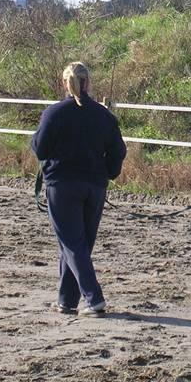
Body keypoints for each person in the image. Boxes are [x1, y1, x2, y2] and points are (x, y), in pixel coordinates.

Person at [31, 62, 126, 316]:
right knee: (79, 244)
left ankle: (94, 298)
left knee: (72, 243)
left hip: (62, 185)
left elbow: (40, 148)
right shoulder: (104, 115)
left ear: (66, 83)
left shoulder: (54, 113)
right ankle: (66, 301)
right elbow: (119, 150)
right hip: (94, 186)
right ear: (88, 83)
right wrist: (109, 172)